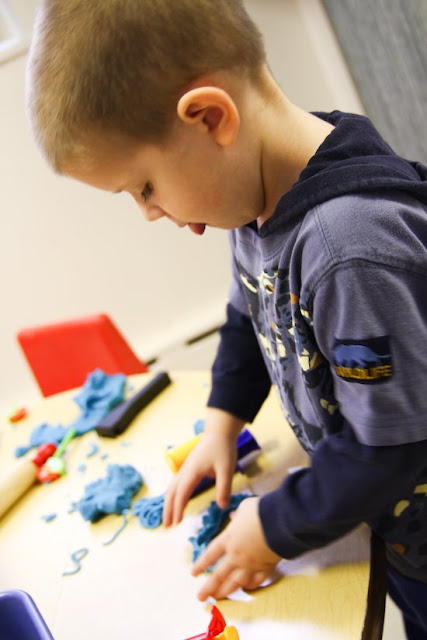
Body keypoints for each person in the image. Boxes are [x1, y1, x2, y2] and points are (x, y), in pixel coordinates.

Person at [26, 1, 427, 637]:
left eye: (145, 187)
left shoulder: (346, 246)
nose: (148, 213)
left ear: (210, 117)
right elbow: (250, 312)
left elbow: (388, 445)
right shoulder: (261, 204)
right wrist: (222, 421)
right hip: (396, 528)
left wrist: (273, 527)